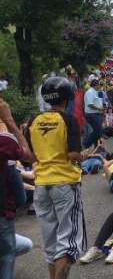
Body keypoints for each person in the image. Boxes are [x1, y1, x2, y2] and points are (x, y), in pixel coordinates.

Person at [26, 77, 91, 279]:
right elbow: (73, 155)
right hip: (64, 184)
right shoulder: (69, 120)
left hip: (41, 186)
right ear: (68, 97)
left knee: (51, 244)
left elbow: (32, 156)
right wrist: (83, 156)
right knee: (67, 245)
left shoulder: (33, 121)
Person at [0, 97, 35, 279]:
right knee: (7, 254)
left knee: (23, 244)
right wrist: (10, 121)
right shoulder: (4, 140)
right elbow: (28, 156)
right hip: (2, 215)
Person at [83, 78, 104, 148]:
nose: (99, 86)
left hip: (95, 113)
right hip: (91, 114)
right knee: (98, 130)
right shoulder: (90, 92)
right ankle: (86, 143)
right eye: (99, 85)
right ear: (96, 85)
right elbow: (90, 104)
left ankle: (96, 146)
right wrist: (99, 108)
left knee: (98, 131)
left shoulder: (95, 92)